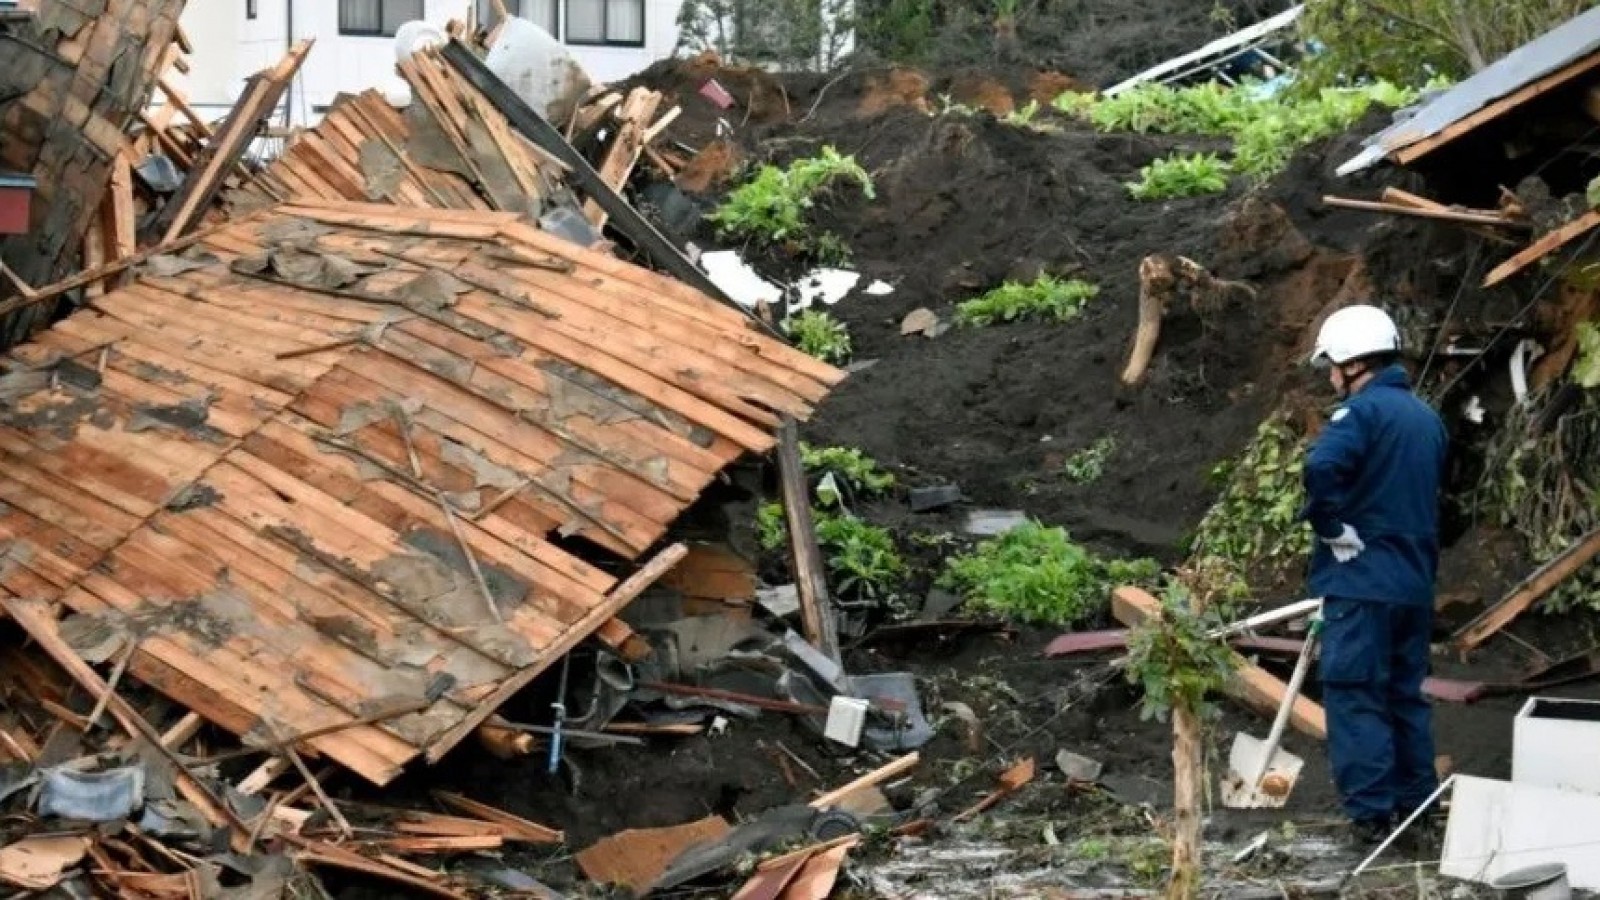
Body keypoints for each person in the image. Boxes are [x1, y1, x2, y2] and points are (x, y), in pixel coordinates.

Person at [1302, 304, 1448, 846]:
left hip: (1362, 583)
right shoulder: (1426, 417)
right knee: (1405, 696)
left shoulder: (1360, 415)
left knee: (1355, 693)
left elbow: (1320, 467)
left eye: (1332, 367)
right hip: (1414, 584)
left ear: (1351, 362)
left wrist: (1329, 522)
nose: (1332, 379)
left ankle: (1372, 818)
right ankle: (1418, 811)